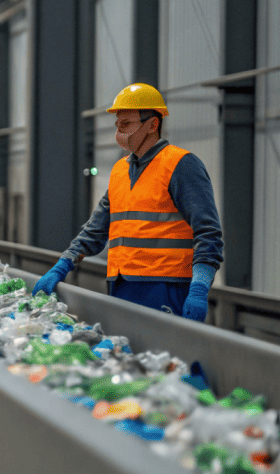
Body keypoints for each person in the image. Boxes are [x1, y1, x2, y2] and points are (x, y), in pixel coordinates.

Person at [32, 83, 223, 322]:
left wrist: (199, 289)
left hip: (166, 287)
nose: (119, 132)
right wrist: (61, 266)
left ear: (153, 124)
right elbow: (95, 230)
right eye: (117, 125)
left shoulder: (181, 165)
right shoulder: (120, 171)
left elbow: (209, 233)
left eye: (126, 124)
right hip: (121, 285)